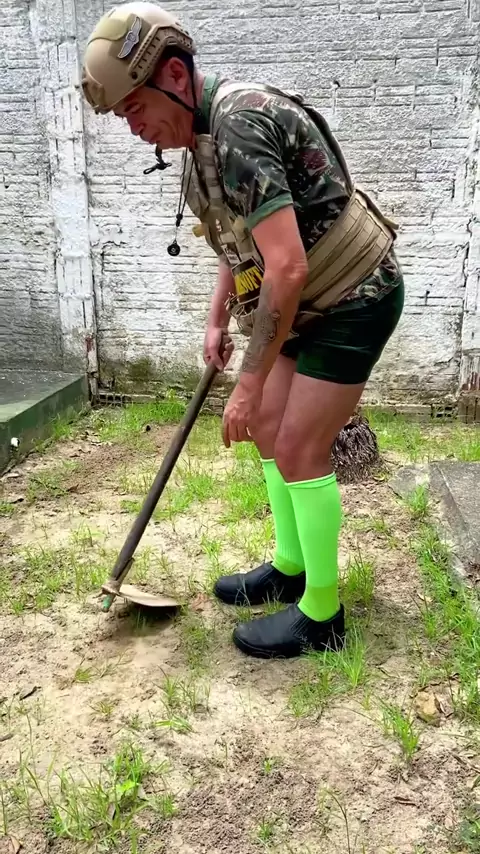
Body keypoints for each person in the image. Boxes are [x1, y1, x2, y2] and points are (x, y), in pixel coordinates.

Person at [82, 1, 404, 659]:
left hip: (352, 295)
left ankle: (322, 614)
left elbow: (286, 267)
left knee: (299, 446)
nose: (133, 126)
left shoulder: (238, 127)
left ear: (175, 75)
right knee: (266, 430)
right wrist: (215, 320)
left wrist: (248, 382)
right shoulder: (201, 142)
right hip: (303, 300)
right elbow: (242, 245)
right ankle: (291, 566)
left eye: (135, 108)